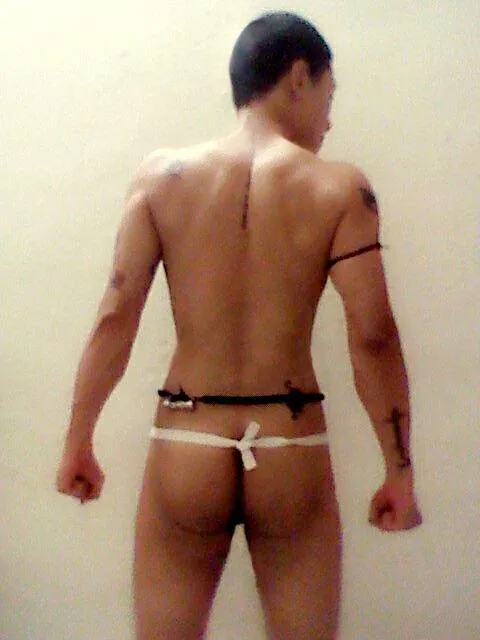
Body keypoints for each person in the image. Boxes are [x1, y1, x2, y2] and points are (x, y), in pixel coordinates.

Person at [56, 11, 422, 640]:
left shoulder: (160, 178)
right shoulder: (339, 188)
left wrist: (77, 441)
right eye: (329, 97)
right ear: (299, 78)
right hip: (288, 443)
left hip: (187, 436)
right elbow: (374, 335)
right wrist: (399, 470)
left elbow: (116, 313)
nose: (329, 121)